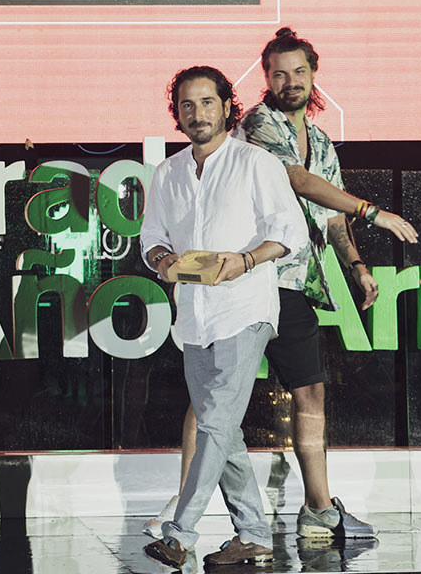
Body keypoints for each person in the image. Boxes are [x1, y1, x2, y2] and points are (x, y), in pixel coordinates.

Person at [145, 28, 417, 541]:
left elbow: (329, 217)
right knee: (212, 402)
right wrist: (374, 211)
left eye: (299, 72)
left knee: (307, 392)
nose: (289, 81)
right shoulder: (258, 125)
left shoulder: (321, 140)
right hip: (251, 284)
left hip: (293, 285)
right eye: (278, 73)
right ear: (264, 80)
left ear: (314, 75)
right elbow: (300, 182)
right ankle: (184, 508)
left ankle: (317, 508)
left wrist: (356, 265)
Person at [139, 65, 308, 568]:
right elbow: (151, 239)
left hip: (245, 309)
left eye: (207, 102)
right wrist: (162, 261)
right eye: (187, 105)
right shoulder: (167, 173)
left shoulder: (256, 163)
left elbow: (291, 233)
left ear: (227, 107)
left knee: (214, 421)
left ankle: (180, 532)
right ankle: (253, 534)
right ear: (177, 113)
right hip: (193, 316)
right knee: (225, 430)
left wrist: (246, 260)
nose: (197, 113)